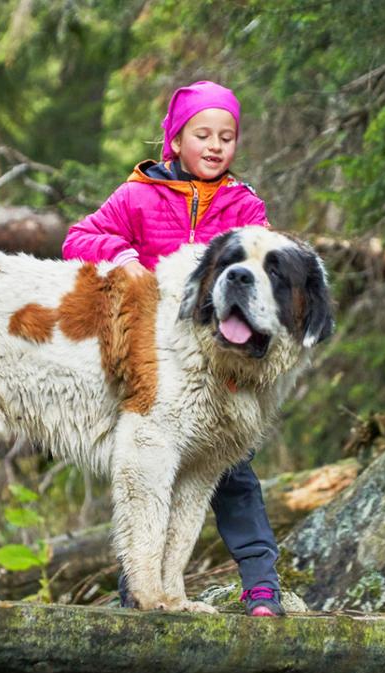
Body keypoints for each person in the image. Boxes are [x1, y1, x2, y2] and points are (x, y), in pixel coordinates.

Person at [62, 80, 283, 617]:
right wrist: (121, 253)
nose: (214, 146)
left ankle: (261, 584)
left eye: (226, 137)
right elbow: (78, 239)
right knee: (150, 468)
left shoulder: (243, 204)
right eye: (201, 134)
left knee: (235, 474)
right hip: (157, 362)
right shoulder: (139, 194)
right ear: (175, 140)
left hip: (222, 361)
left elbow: (264, 272)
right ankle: (138, 590)